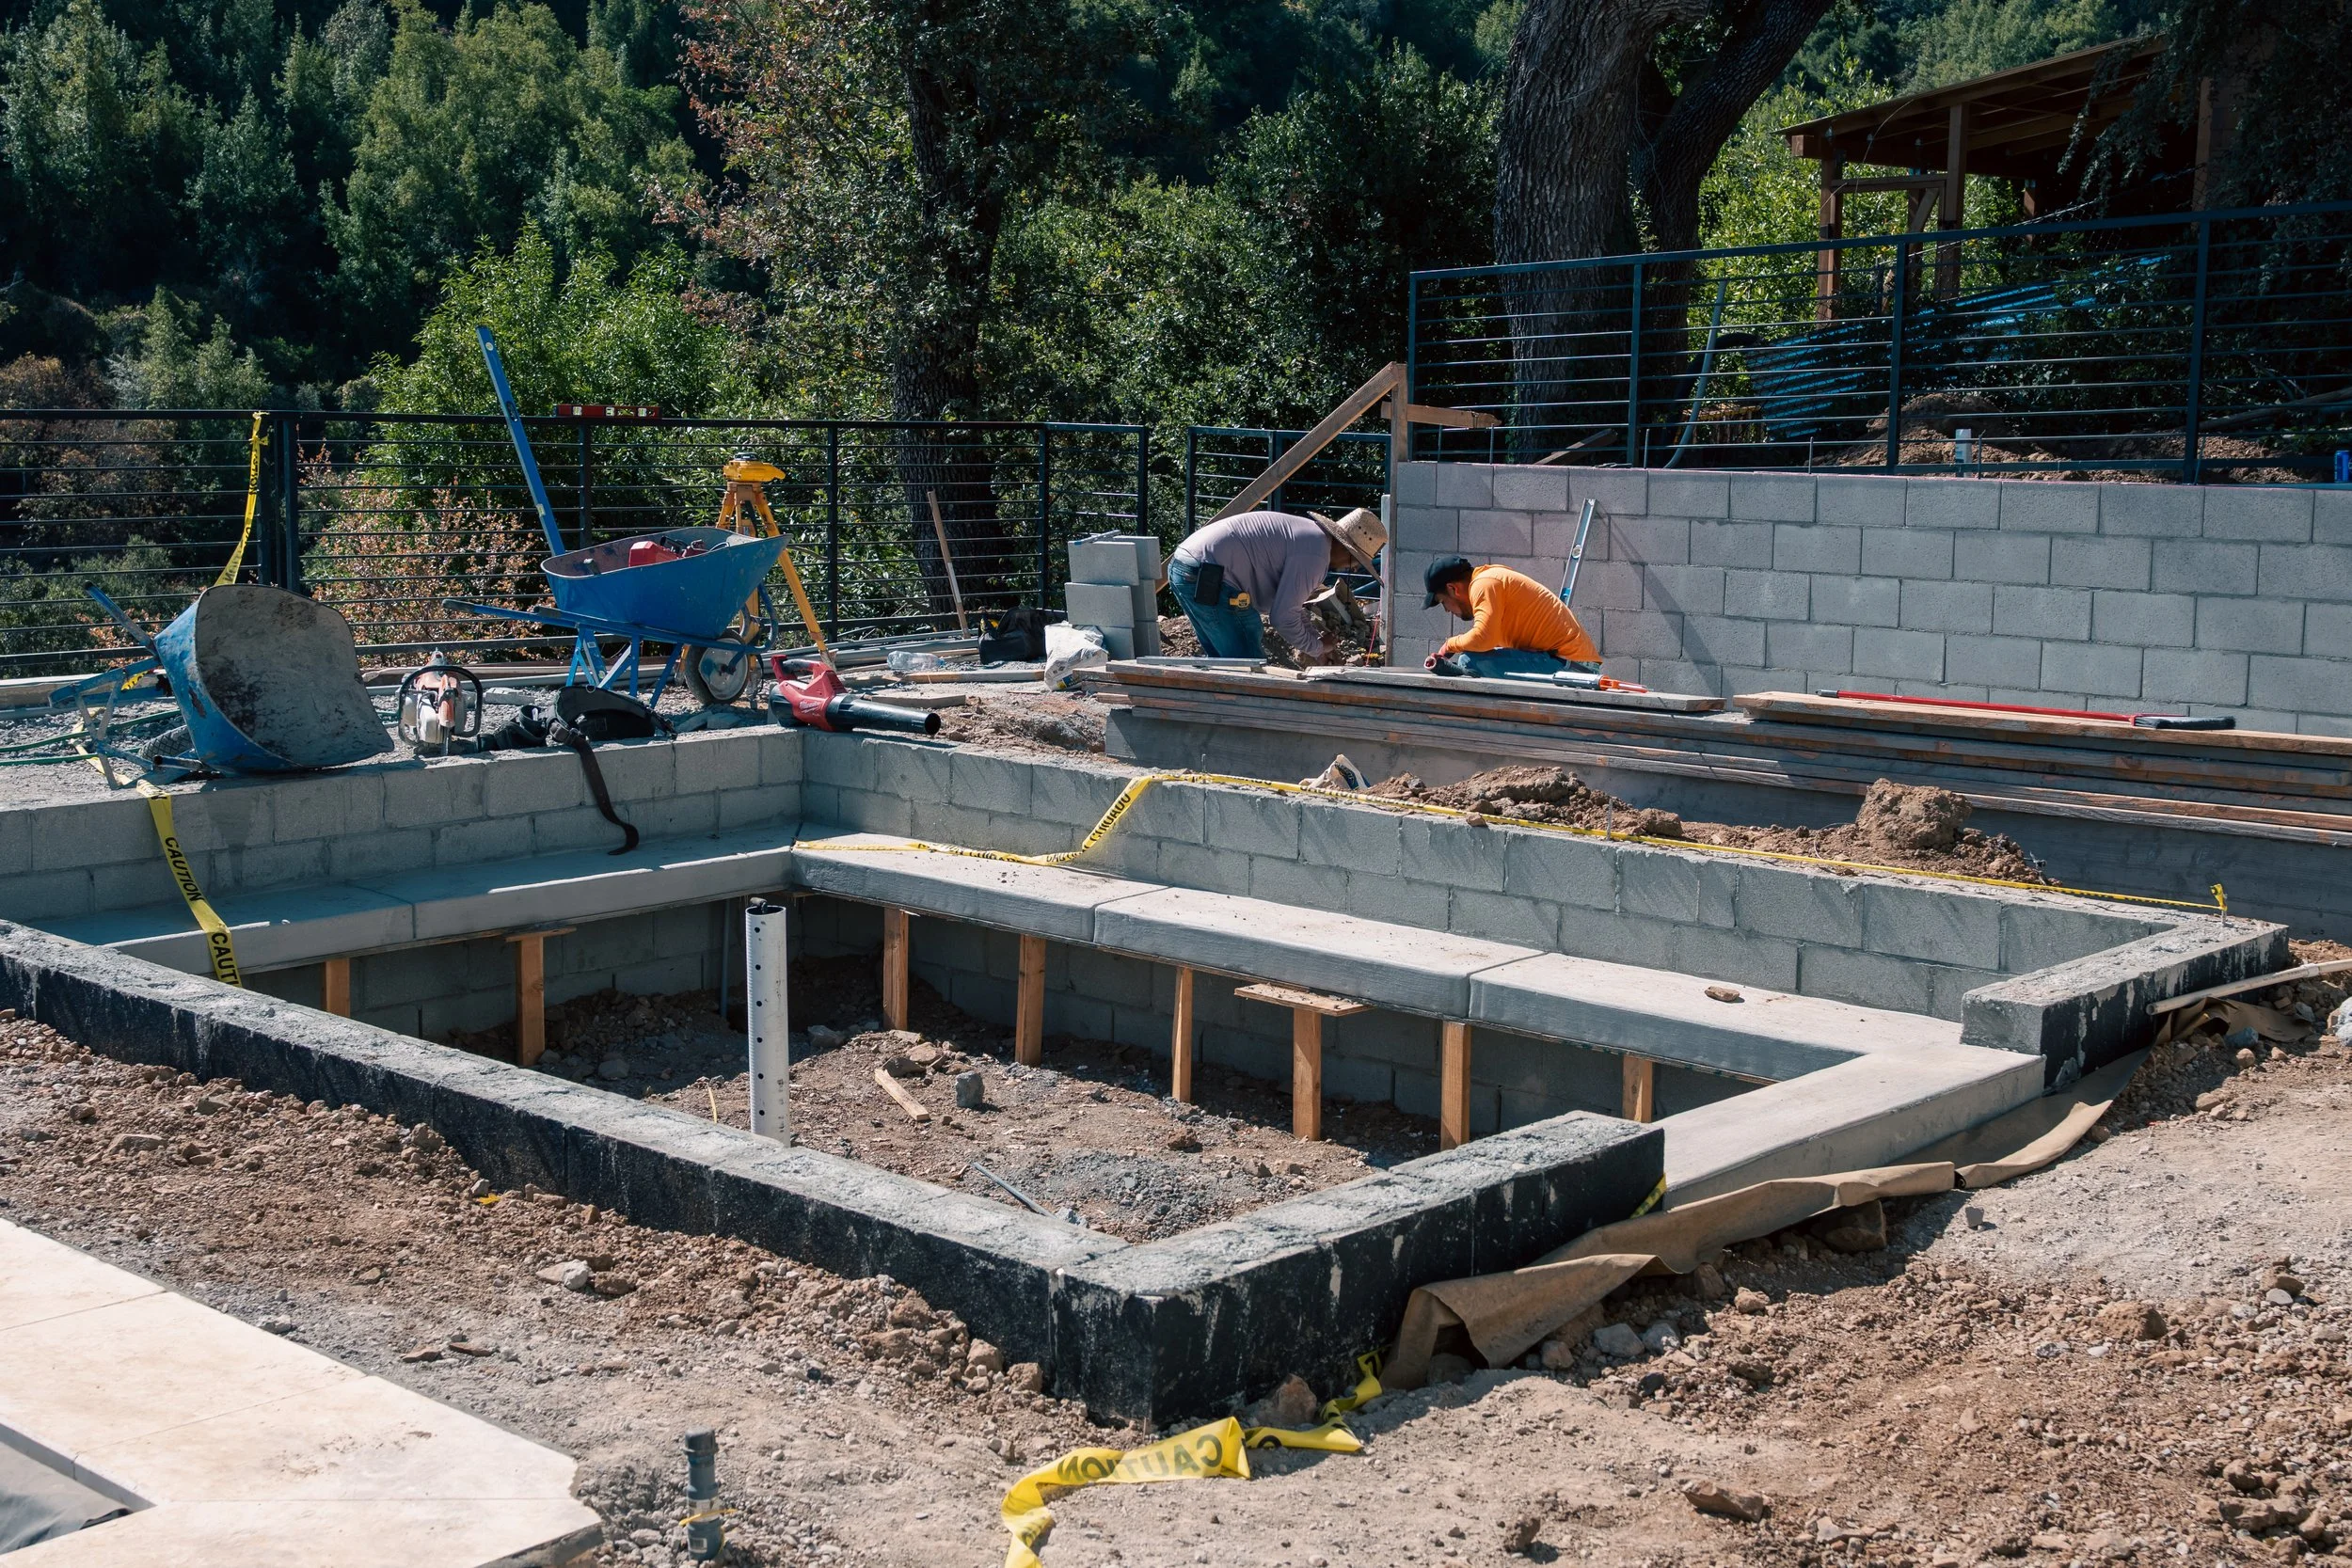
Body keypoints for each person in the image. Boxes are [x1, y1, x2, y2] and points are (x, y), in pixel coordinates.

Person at [1166, 507, 1387, 662]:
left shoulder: (1311, 540)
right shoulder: (1316, 556)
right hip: (1209, 574)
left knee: (1224, 659)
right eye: (1358, 560)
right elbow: (1282, 617)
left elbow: (1292, 607)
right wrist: (1318, 647)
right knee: (1246, 663)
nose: (1356, 568)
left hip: (1188, 566)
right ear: (1346, 548)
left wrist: (1317, 647)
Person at [1422, 554, 1601, 679]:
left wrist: (1449, 645)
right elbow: (1487, 642)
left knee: (1470, 661)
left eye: (1443, 601)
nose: (1446, 610)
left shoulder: (1484, 583)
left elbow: (1484, 638)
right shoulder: (1492, 580)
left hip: (1572, 669)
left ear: (1453, 589)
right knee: (1482, 656)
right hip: (1570, 664)